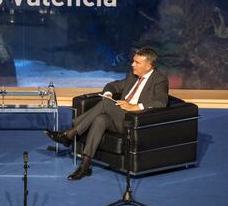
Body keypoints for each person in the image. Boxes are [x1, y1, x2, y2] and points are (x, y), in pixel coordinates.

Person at [44, 47, 169, 180]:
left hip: (134, 120)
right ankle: (85, 166)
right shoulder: (133, 76)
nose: (132, 64)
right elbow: (112, 85)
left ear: (149, 65)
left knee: (105, 104)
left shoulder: (159, 80)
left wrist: (135, 106)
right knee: (100, 120)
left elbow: (161, 102)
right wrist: (108, 94)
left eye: (137, 62)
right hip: (118, 116)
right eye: (133, 61)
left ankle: (69, 134)